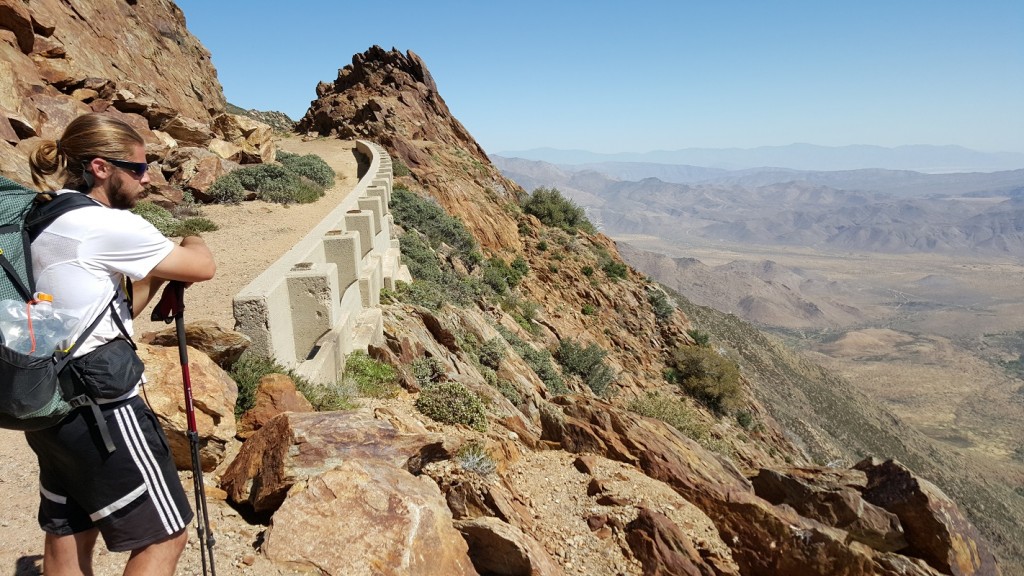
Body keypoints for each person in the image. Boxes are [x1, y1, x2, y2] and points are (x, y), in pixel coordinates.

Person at [24, 112, 216, 576]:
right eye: (137, 168)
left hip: (47, 398)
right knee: (165, 534)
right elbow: (200, 265)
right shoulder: (105, 226)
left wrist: (152, 270)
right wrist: (193, 236)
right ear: (100, 168)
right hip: (103, 407)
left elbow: (114, 307)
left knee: (70, 528)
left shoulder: (44, 212)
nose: (147, 178)